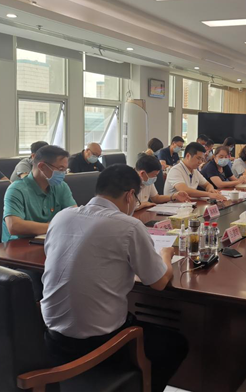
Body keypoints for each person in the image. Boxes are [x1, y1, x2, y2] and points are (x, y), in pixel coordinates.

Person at [41, 164, 188, 392]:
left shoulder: (61, 217)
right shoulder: (129, 226)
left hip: (52, 338)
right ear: (130, 195)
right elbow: (159, 282)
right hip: (98, 343)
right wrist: (166, 255)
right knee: (176, 344)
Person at [2, 145, 76, 242]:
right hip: (18, 245)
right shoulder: (17, 190)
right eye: (60, 169)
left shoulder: (61, 186)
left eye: (65, 170)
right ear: (42, 166)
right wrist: (55, 225)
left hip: (50, 240)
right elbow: (14, 226)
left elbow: (74, 216)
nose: (63, 174)